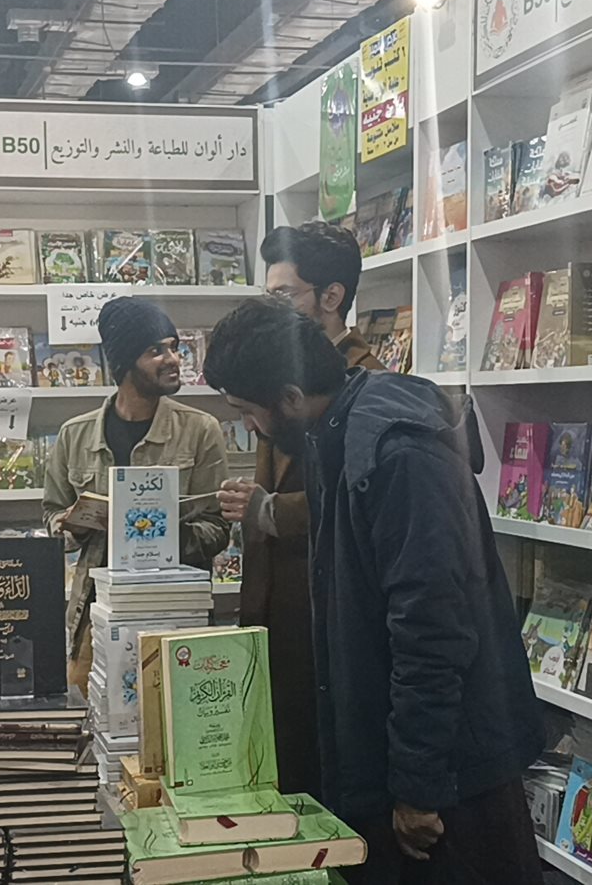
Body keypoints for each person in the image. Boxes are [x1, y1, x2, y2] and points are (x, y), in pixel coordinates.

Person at [203, 297, 545, 885]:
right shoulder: (338, 436)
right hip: (404, 756)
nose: (251, 428)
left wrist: (417, 787)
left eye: (247, 412)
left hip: (453, 775)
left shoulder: (396, 455)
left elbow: (431, 632)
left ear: (290, 397)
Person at [215, 221, 378, 797]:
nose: (274, 309)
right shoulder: (270, 365)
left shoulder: (366, 386)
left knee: (321, 774)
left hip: (326, 612)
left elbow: (361, 500)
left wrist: (270, 512)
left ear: (331, 296)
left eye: (285, 295)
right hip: (275, 605)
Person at [43, 297, 230, 692]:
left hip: (176, 617)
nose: (173, 359)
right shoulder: (75, 435)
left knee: (175, 717)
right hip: (96, 615)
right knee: (91, 717)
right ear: (125, 362)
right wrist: (72, 525)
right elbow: (52, 517)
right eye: (155, 350)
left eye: (174, 347)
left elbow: (218, 528)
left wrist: (158, 535)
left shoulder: (200, 430)